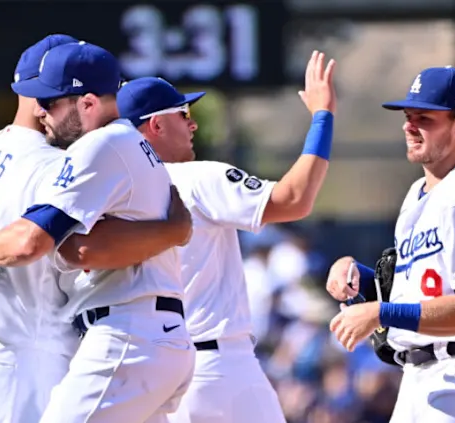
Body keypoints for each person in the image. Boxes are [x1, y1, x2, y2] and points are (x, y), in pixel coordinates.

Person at [0, 35, 191, 423]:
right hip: (25, 356)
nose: (43, 110)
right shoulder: (62, 160)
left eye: (49, 100)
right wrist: (175, 230)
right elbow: (64, 248)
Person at [114, 49, 336, 423]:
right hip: (216, 369)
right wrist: (323, 117)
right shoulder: (196, 178)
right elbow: (294, 200)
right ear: (154, 126)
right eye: (182, 115)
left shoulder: (113, 193)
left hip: (151, 368)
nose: (193, 124)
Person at [326, 66, 455, 422]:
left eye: (424, 118)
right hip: (418, 378)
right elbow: (412, 292)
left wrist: (380, 314)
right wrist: (357, 276)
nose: (409, 126)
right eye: (408, 116)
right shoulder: (418, 194)